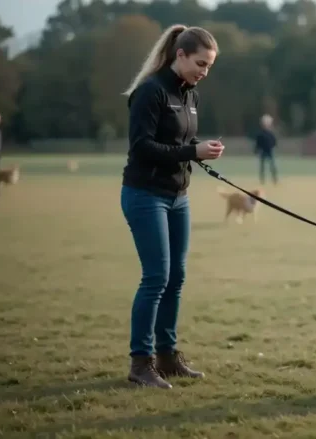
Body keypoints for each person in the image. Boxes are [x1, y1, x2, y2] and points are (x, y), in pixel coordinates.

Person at [120, 24, 224, 389]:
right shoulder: (150, 92)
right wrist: (190, 151)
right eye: (200, 63)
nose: (204, 72)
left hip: (178, 197)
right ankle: (141, 363)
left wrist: (199, 149)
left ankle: (167, 357)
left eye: (209, 66)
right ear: (180, 55)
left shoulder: (189, 93)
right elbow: (143, 147)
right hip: (145, 195)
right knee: (156, 279)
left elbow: (179, 139)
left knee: (175, 278)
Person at [254, 114, 278, 184]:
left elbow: (274, 141)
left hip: (270, 151)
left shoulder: (271, 133)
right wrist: (256, 150)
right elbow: (258, 143)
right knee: (262, 167)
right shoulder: (260, 134)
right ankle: (262, 180)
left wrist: (273, 146)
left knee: (272, 166)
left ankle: (274, 179)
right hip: (263, 151)